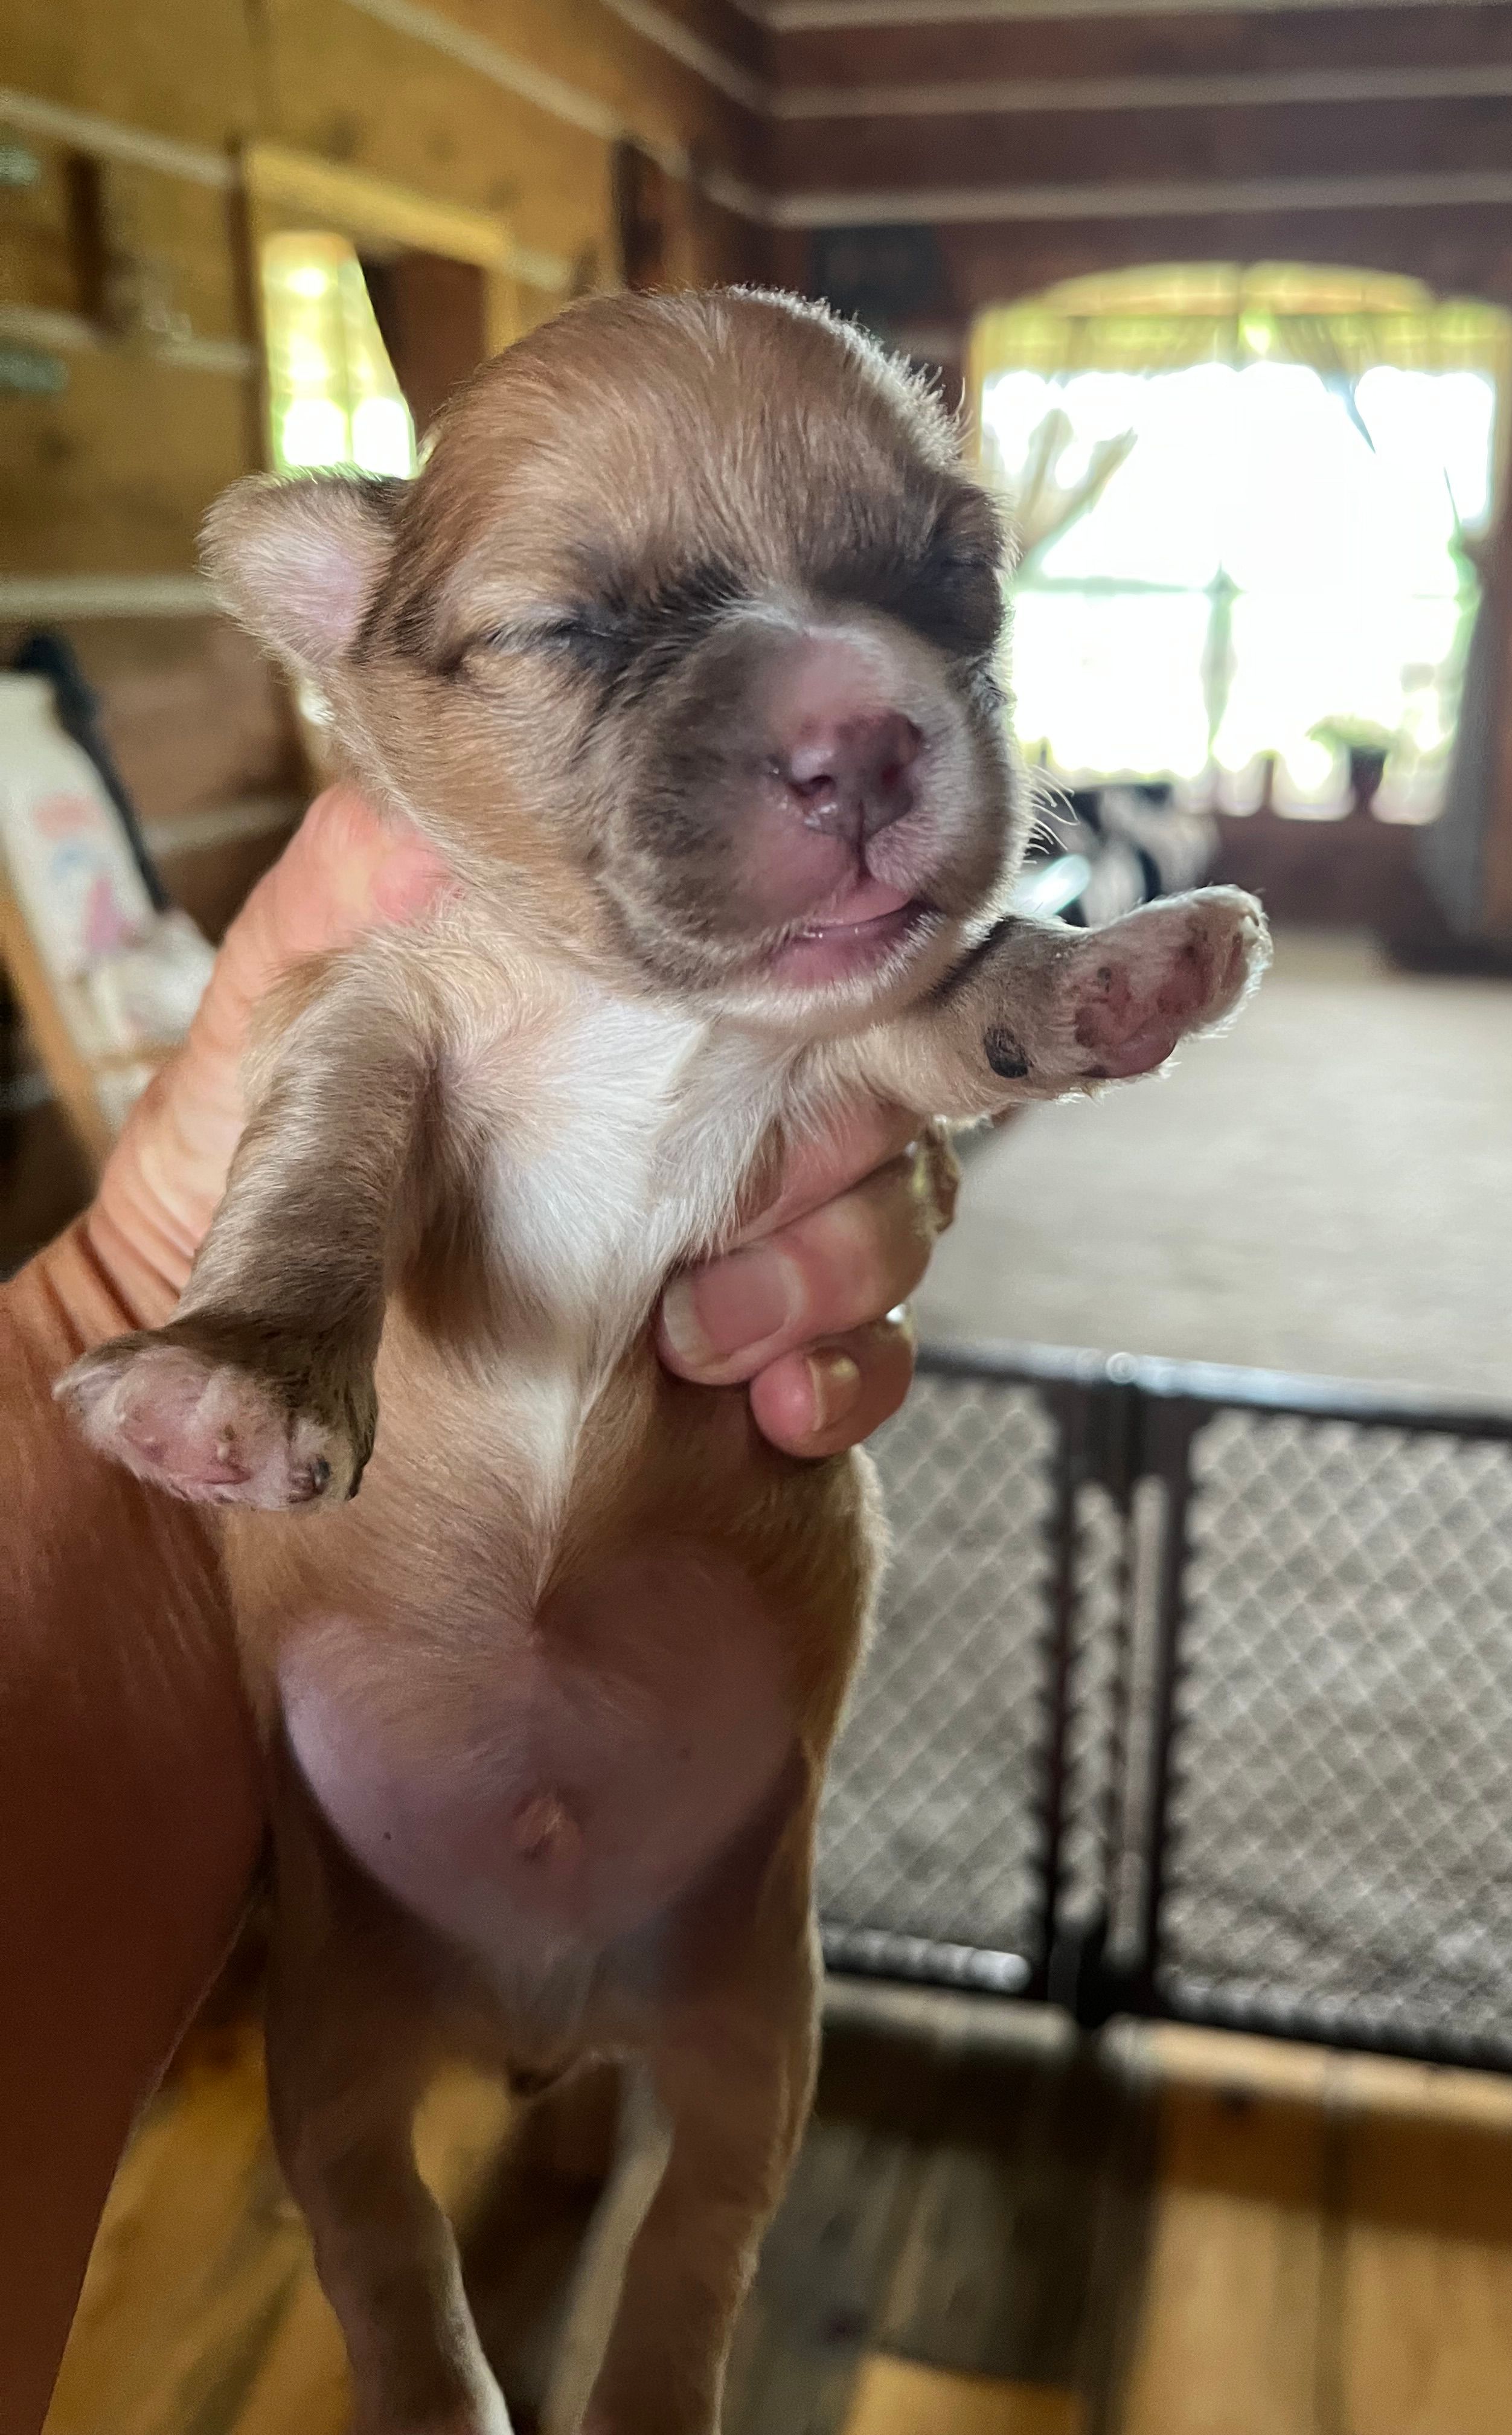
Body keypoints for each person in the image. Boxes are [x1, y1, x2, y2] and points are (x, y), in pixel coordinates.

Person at [0, 786, 951, 2432]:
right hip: (406, 1807)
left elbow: (934, 1029)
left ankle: (681, 2312)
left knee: (720, 2135)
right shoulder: (412, 940)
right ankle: (404, 2313)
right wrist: (201, 1297)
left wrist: (980, 1014)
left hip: (679, 1818)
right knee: (351, 2130)